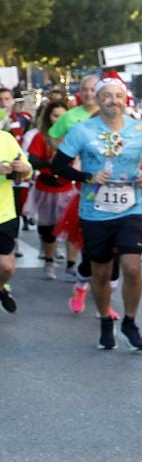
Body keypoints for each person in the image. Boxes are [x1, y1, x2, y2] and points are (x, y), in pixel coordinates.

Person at [51, 77, 142, 351]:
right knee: (100, 272)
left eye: (118, 96)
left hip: (131, 208)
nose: (113, 101)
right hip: (95, 211)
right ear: (98, 100)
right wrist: (88, 175)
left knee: (132, 267)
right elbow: (58, 165)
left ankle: (130, 322)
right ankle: (104, 320)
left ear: (126, 100)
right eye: (107, 96)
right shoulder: (82, 131)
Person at [24, 95, 78, 279]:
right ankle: (49, 261)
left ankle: (71, 264)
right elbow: (32, 161)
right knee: (48, 228)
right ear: (49, 117)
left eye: (63, 116)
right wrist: (51, 162)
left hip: (67, 189)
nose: (59, 120)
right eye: (55, 116)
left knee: (72, 227)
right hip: (46, 189)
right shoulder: (41, 137)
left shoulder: (75, 136)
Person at [0, 124, 25, 313]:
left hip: (4, 213)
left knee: (7, 267)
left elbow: (26, 167)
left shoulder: (6, 138)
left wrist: (23, 168)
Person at [48, 75, 98, 145]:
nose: (88, 93)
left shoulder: (108, 114)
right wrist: (63, 153)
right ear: (80, 92)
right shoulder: (68, 116)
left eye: (93, 90)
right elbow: (51, 137)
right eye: (84, 90)